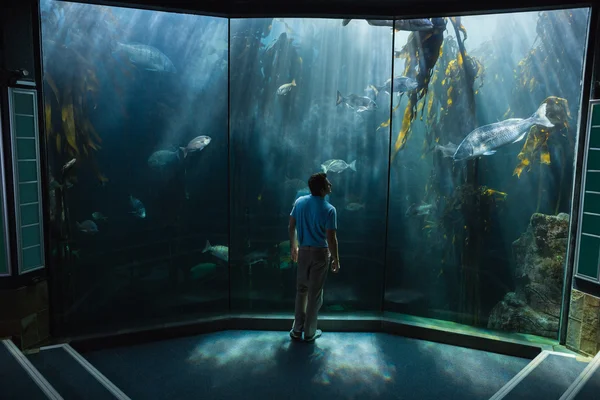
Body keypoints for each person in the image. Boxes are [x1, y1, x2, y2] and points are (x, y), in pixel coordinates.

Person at [288, 172, 340, 342]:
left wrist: (293, 246)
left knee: (301, 290)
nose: (330, 185)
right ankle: (309, 332)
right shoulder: (329, 210)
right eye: (328, 183)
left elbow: (291, 225)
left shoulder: (299, 202)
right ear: (322, 188)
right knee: (314, 294)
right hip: (320, 254)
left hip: (303, 252)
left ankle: (297, 329)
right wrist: (336, 259)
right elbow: (331, 238)